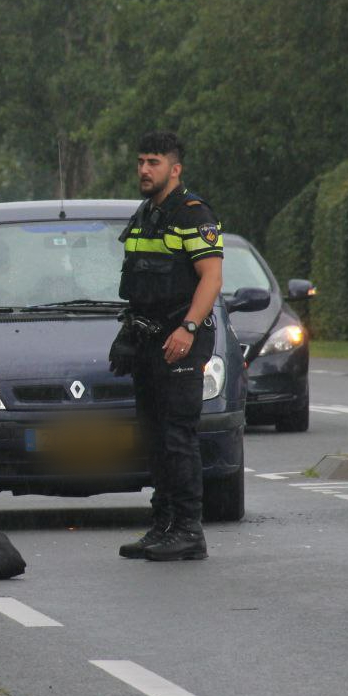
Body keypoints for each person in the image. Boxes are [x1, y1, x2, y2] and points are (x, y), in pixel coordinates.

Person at [115, 131, 223, 562]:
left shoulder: (192, 214)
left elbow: (211, 279)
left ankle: (188, 530)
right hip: (149, 338)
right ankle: (162, 525)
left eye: (154, 162)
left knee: (178, 436)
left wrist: (189, 328)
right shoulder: (145, 214)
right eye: (141, 160)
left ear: (174, 169)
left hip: (181, 338)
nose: (144, 169)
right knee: (154, 436)